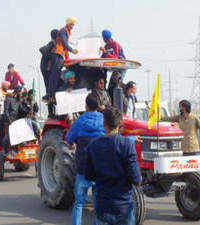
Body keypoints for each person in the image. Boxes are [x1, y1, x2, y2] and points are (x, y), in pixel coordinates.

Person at [85, 107, 141, 225]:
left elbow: (89, 176)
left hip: (102, 205)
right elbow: (136, 179)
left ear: (103, 123)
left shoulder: (93, 145)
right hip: (124, 207)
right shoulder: (126, 144)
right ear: (120, 124)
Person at [66, 94, 105, 225]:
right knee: (98, 203)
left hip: (83, 169)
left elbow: (69, 139)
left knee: (79, 203)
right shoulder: (103, 121)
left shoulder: (79, 122)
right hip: (99, 169)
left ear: (86, 106)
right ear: (98, 106)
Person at [47, 17, 78, 100]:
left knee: (56, 75)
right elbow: (64, 44)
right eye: (71, 24)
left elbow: (65, 49)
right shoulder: (63, 31)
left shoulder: (67, 32)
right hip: (57, 54)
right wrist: (72, 50)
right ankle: (51, 95)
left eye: (73, 25)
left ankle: (52, 94)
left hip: (60, 55)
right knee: (55, 75)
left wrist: (68, 60)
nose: (72, 26)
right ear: (67, 23)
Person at [40, 29, 59, 101]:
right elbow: (45, 52)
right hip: (47, 66)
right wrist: (49, 65)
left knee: (49, 82)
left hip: (47, 66)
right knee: (49, 81)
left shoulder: (54, 43)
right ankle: (49, 94)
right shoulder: (52, 44)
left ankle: (49, 94)